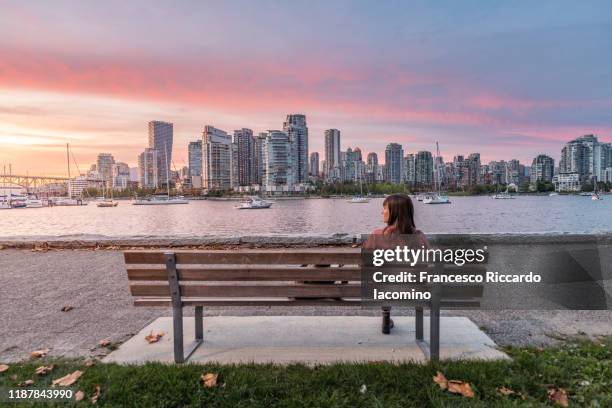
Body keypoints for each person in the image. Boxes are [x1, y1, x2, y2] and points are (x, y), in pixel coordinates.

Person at [363, 193, 429, 334]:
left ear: (395, 212)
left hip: (378, 290)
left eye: (385, 208)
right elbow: (426, 266)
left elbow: (363, 265)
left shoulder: (376, 236)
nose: (382, 211)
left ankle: (386, 313)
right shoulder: (420, 238)